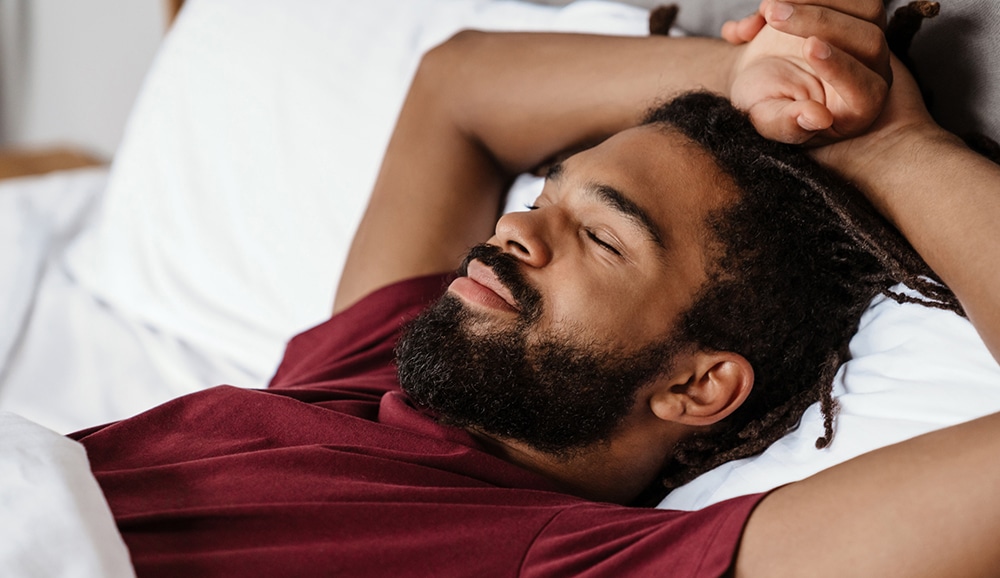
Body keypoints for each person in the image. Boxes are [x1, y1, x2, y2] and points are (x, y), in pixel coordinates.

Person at [73, 0, 1000, 576]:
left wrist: (890, 149)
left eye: (599, 237)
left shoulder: (566, 558)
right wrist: (742, 74)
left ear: (696, 385)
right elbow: (458, 89)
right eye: (548, 195)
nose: (516, 229)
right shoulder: (376, 376)